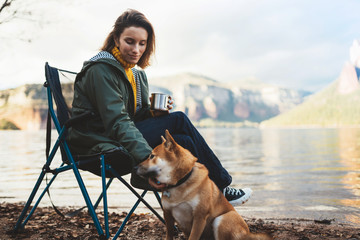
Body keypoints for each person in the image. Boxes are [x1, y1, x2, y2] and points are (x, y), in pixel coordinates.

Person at [67, 9, 252, 206]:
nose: (136, 49)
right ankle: (220, 187)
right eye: (130, 41)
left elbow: (136, 117)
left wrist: (155, 113)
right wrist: (150, 162)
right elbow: (117, 121)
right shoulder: (100, 70)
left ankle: (203, 204)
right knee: (179, 119)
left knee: (183, 141)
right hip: (98, 143)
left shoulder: (135, 74)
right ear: (116, 39)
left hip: (116, 136)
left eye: (142, 43)